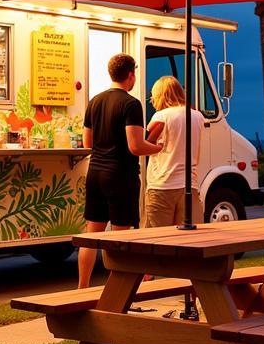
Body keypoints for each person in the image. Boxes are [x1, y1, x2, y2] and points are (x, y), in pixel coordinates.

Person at [76, 54, 162, 288]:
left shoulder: (94, 101)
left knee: (91, 237)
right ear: (131, 74)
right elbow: (135, 146)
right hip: (120, 175)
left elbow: (87, 143)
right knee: (119, 238)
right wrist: (157, 147)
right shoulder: (131, 104)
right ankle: (117, 293)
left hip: (96, 173)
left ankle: (82, 289)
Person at [143, 75, 203, 228]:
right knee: (187, 240)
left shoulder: (161, 116)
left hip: (162, 185)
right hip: (189, 185)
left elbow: (147, 143)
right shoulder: (197, 116)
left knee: (158, 241)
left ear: (160, 95)